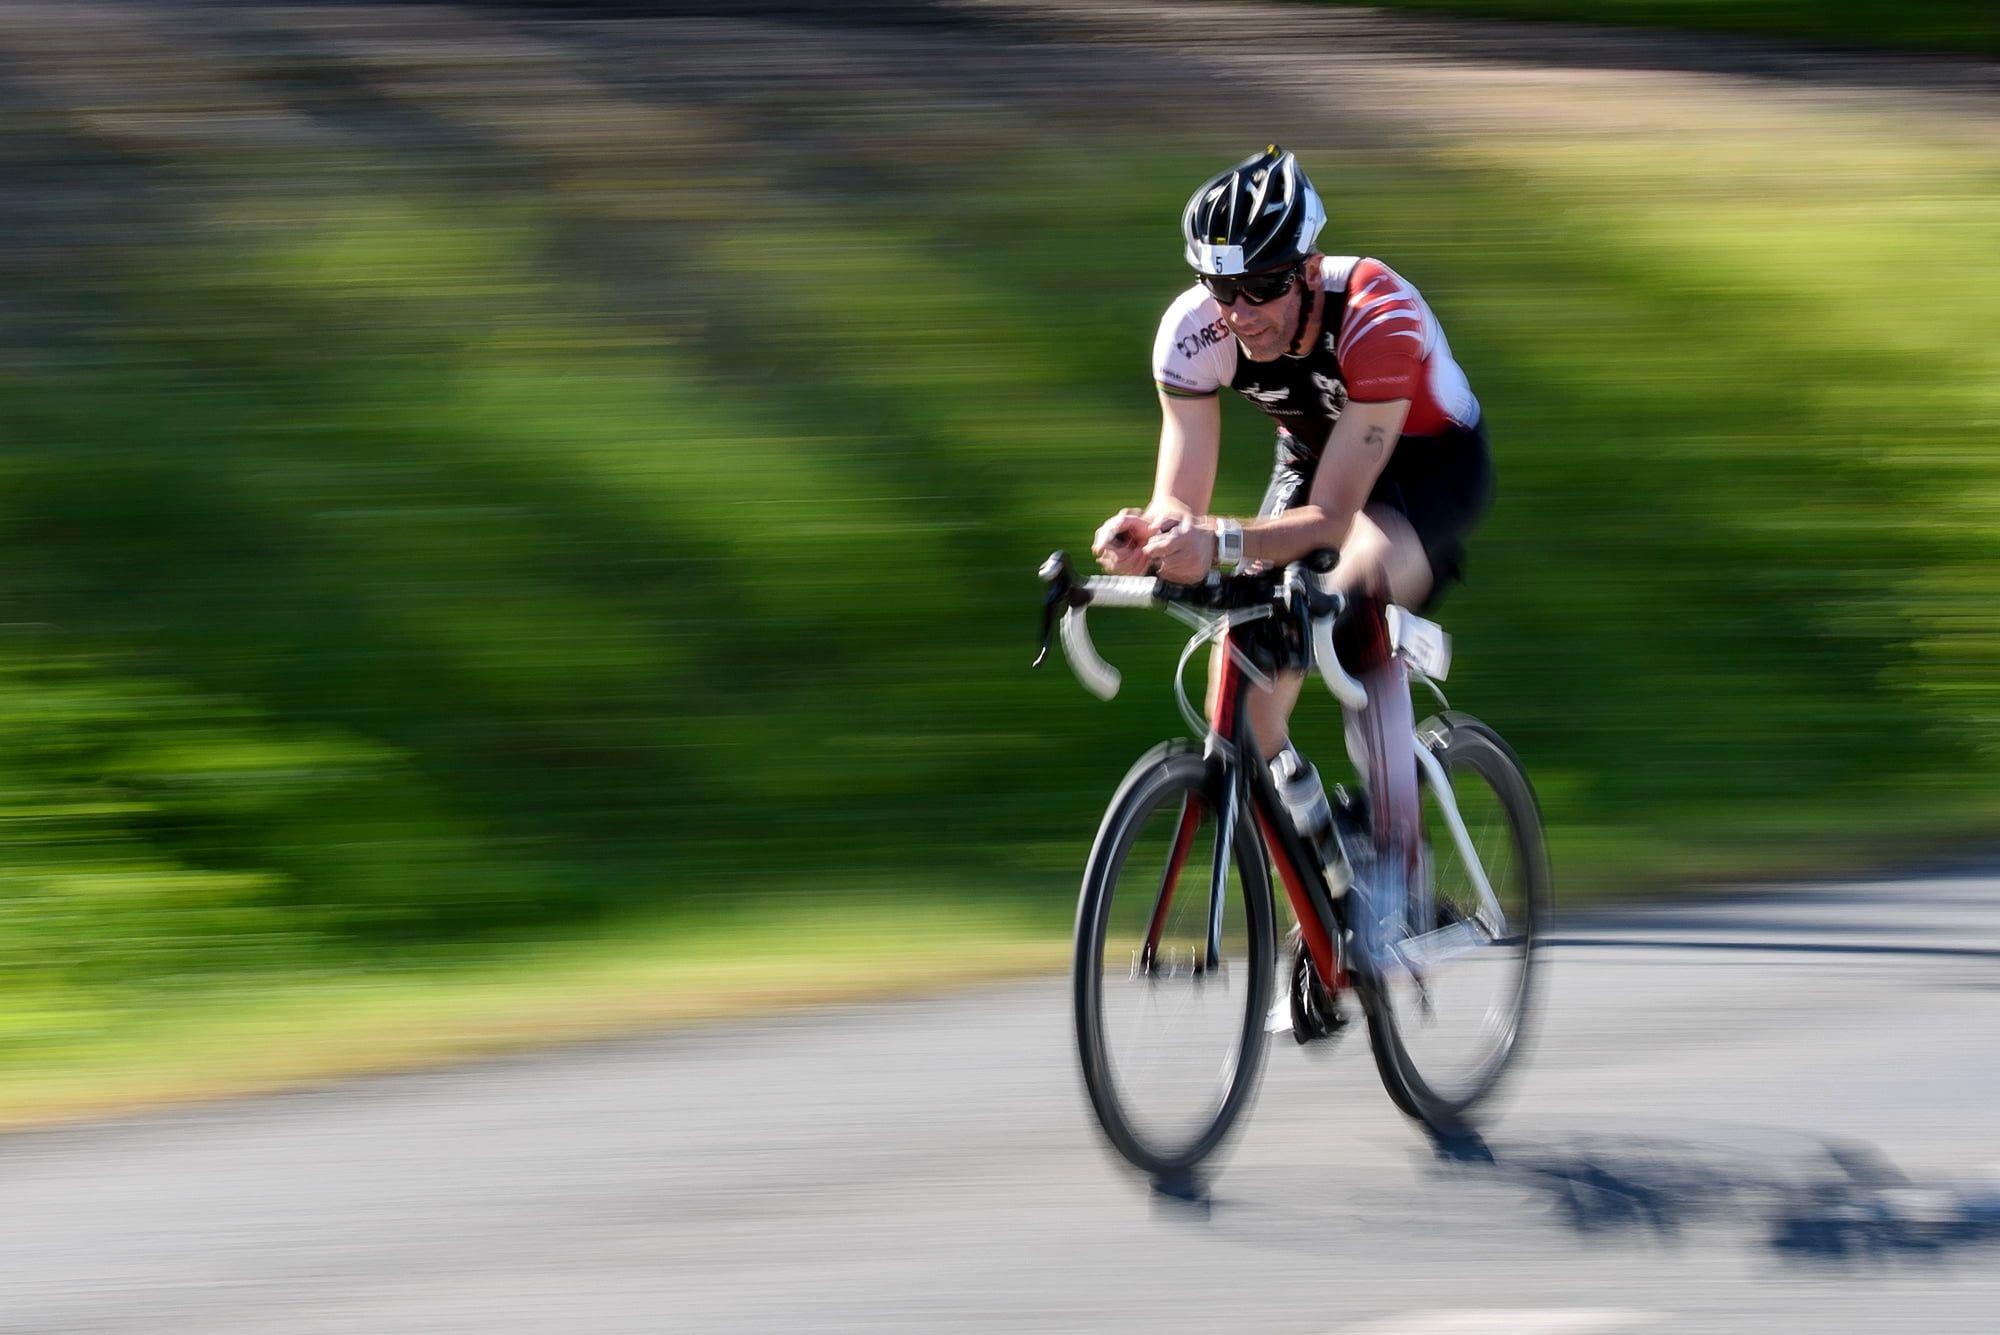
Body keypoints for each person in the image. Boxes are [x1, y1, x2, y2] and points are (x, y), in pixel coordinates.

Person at [1091, 145, 1493, 963]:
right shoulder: (1194, 332)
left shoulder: (1379, 317)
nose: (1241, 311)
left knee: (1352, 599)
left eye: (1264, 286)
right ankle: (1326, 871)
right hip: (1314, 456)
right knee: (1246, 676)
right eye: (1222, 288)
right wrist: (1155, 531)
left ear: (1309, 267)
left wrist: (1226, 542)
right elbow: (1184, 496)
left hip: (1425, 466)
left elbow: (1337, 515)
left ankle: (1402, 868)